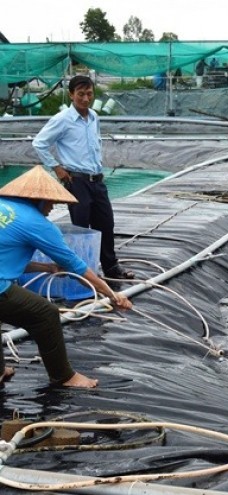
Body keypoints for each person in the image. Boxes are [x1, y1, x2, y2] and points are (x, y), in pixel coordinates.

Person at [0, 166, 132, 388]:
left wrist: (47, 268)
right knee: (45, 314)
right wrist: (111, 294)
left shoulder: (5, 208)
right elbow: (77, 267)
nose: (52, 208)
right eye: (50, 202)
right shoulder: (37, 224)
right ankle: (65, 377)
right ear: (38, 200)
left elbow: (6, 260)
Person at [32, 75, 134, 280]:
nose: (85, 99)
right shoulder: (63, 120)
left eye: (89, 94)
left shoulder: (94, 117)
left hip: (96, 180)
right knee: (81, 227)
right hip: (76, 181)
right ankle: (83, 272)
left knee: (105, 223)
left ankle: (111, 267)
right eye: (80, 94)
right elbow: (39, 143)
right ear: (71, 95)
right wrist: (57, 168)